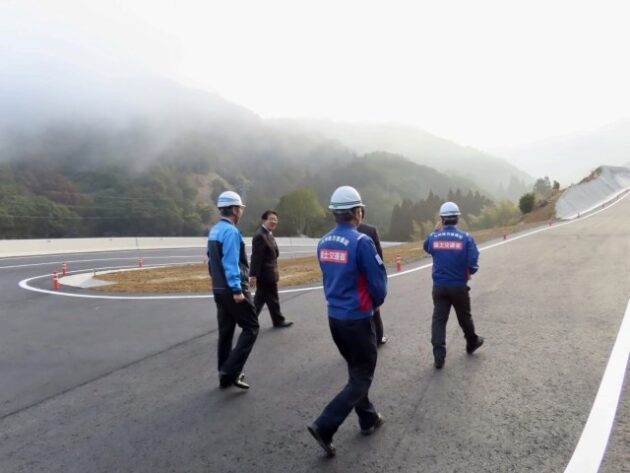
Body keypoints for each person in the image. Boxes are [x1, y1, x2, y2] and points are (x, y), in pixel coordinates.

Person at [307, 186, 388, 456]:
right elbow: (378, 284)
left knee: (356, 371)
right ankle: (325, 425)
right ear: (357, 212)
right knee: (363, 375)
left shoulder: (324, 241)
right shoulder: (361, 242)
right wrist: (375, 302)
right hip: (358, 318)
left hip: (335, 318)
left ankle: (368, 418)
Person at [207, 190, 259, 390]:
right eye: (240, 208)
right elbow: (231, 262)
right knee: (251, 327)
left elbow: (210, 260)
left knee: (226, 331)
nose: (241, 211)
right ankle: (230, 371)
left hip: (219, 289)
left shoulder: (215, 230)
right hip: (232, 289)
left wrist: (218, 283)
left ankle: (224, 375)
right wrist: (237, 289)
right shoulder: (231, 232)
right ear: (235, 210)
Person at [423, 201, 484, 370]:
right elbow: (473, 262)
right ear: (457, 218)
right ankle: (472, 342)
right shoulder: (466, 238)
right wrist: (469, 271)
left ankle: (439, 356)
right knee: (464, 317)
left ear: (442, 219)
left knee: (439, 320)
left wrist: (436, 231)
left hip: (439, 287)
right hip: (458, 286)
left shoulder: (434, 237)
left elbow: (426, 246)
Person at [249, 210, 293, 328]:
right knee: (264, 299)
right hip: (264, 275)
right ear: (264, 220)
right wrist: (253, 276)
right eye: (271, 219)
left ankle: (276, 320)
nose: (274, 222)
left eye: (276, 220)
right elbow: (256, 257)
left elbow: (274, 253)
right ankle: (250, 322)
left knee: (267, 299)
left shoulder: (268, 233)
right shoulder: (260, 236)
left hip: (269, 274)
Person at [357, 208, 388, 345]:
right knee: (375, 309)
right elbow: (379, 255)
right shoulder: (370, 230)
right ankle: (379, 337)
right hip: (368, 275)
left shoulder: (339, 234)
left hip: (352, 279)